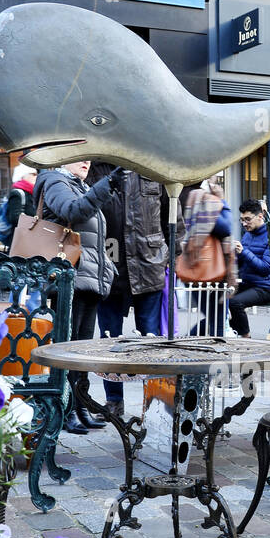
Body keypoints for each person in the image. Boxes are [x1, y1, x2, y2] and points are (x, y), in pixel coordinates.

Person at [36, 159, 115, 434]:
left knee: (81, 350)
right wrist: (107, 185)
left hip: (87, 278)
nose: (86, 161)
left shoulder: (80, 185)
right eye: (78, 156)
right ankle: (65, 409)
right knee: (67, 349)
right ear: (62, 158)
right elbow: (73, 211)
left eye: (88, 156)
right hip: (69, 278)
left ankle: (81, 406)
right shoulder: (55, 181)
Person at [95, 168, 183, 411]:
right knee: (109, 339)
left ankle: (156, 398)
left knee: (151, 340)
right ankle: (114, 400)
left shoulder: (153, 169)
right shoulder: (99, 169)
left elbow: (173, 215)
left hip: (149, 264)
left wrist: (171, 258)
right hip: (111, 266)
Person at [180, 180, 237, 336]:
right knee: (218, 318)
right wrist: (222, 201)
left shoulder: (190, 198)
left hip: (196, 266)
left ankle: (191, 341)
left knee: (213, 317)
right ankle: (214, 350)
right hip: (210, 270)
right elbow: (225, 227)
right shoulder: (204, 199)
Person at [230, 201, 270, 337]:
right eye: (242, 220)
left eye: (248, 219)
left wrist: (243, 252)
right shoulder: (247, 235)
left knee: (234, 303)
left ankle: (246, 338)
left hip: (265, 287)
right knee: (222, 299)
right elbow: (242, 263)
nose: (244, 224)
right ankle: (230, 334)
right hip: (247, 283)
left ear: (260, 217)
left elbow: (266, 269)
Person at [4, 162, 38, 235]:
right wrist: (33, 221)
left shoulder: (32, 192)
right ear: (23, 176)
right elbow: (14, 218)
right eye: (33, 174)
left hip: (30, 234)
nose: (36, 176)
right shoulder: (17, 193)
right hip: (21, 236)